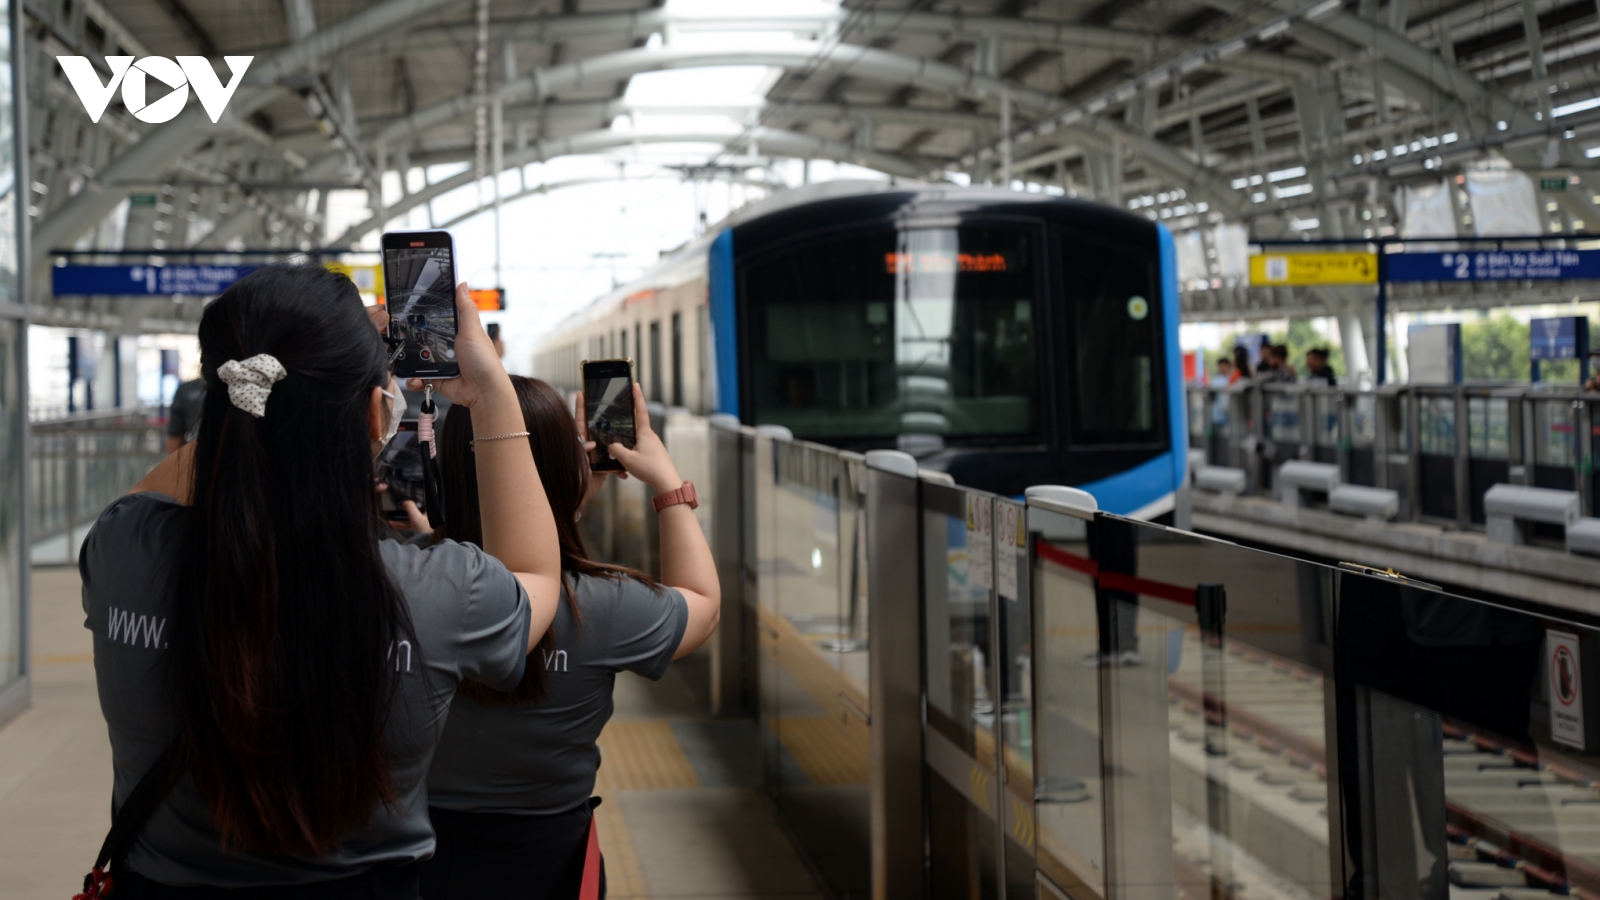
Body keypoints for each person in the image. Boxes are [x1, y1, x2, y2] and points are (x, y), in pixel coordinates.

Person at [78, 267, 566, 896]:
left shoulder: (126, 550)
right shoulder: (442, 591)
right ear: (373, 415)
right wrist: (492, 391)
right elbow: (534, 578)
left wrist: (273, 384)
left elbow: (193, 473)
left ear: (224, 393)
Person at [419, 378, 720, 898]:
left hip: (423, 859)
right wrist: (667, 484)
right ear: (566, 473)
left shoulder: (407, 583)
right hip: (553, 862)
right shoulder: (605, 607)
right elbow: (702, 602)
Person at [164, 377, 205, 454]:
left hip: (197, 456)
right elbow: (174, 438)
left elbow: (174, 441)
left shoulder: (187, 389)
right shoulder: (232, 389)